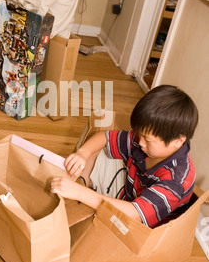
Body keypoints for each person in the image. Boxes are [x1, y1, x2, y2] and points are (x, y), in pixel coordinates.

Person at [51, 85, 199, 228]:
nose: (140, 142)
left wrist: (80, 193)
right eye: (140, 134)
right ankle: (83, 182)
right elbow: (105, 137)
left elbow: (135, 214)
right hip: (128, 193)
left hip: (138, 223)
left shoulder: (177, 181)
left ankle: (83, 191)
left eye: (147, 140)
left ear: (178, 141)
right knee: (97, 149)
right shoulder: (146, 142)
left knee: (92, 188)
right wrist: (82, 154)